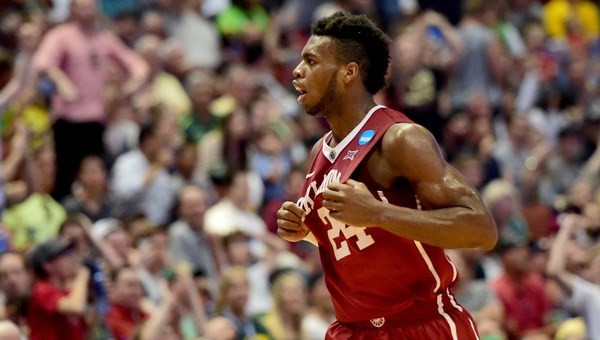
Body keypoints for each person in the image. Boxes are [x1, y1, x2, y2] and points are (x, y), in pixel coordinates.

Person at [276, 12, 497, 339]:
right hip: (353, 329)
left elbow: (482, 230)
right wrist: (306, 231)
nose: (297, 71)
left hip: (420, 325)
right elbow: (360, 239)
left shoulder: (400, 139)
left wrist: (379, 213)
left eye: (311, 61)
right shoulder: (319, 152)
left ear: (349, 72)